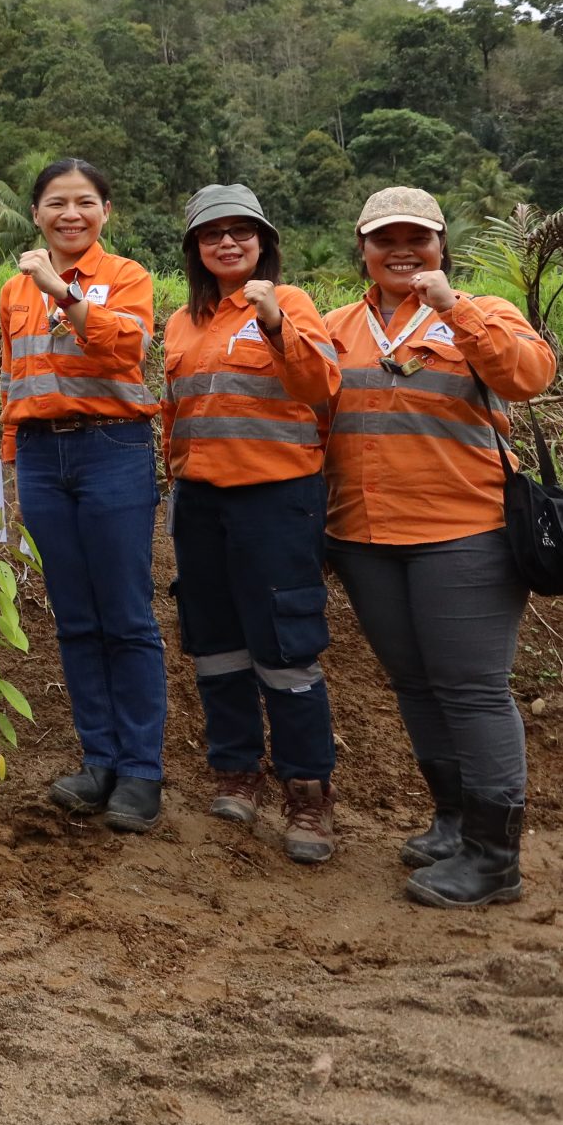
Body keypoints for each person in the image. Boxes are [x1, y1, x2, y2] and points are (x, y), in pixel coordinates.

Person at [322, 187, 556, 906]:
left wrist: (453, 308)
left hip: (466, 536)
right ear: (361, 247)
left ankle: (495, 856)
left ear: (441, 245)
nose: (401, 250)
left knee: (474, 689)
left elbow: (529, 374)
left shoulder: (481, 313)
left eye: (416, 237)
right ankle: (454, 820)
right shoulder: (336, 326)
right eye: (384, 237)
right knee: (415, 684)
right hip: (364, 537)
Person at [162, 184, 343, 861]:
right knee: (214, 640)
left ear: (264, 241)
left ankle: (307, 792)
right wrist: (174, 479)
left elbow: (321, 387)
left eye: (243, 231)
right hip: (200, 499)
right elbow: (173, 411)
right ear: (196, 249)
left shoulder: (289, 303)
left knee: (284, 643)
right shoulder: (181, 321)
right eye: (214, 233)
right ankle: (236, 769)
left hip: (276, 497)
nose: (228, 242)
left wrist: (273, 324)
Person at [0, 159, 165, 833]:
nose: (71, 213)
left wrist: (63, 293)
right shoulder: (14, 290)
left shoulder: (126, 277)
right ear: (36, 213)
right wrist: (13, 466)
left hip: (113, 449)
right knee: (73, 615)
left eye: (85, 202)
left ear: (106, 211)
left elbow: (128, 350)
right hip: (41, 454)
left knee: (126, 614)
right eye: (57, 202)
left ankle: (142, 771)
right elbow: (16, 377)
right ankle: (98, 758)